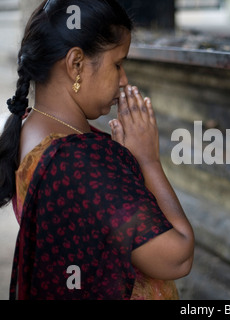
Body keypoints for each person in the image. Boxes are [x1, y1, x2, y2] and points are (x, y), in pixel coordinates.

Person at [0, 0, 194, 300]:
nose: (124, 79)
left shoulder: (29, 128)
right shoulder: (76, 158)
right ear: (76, 64)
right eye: (118, 64)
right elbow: (177, 257)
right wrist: (148, 160)